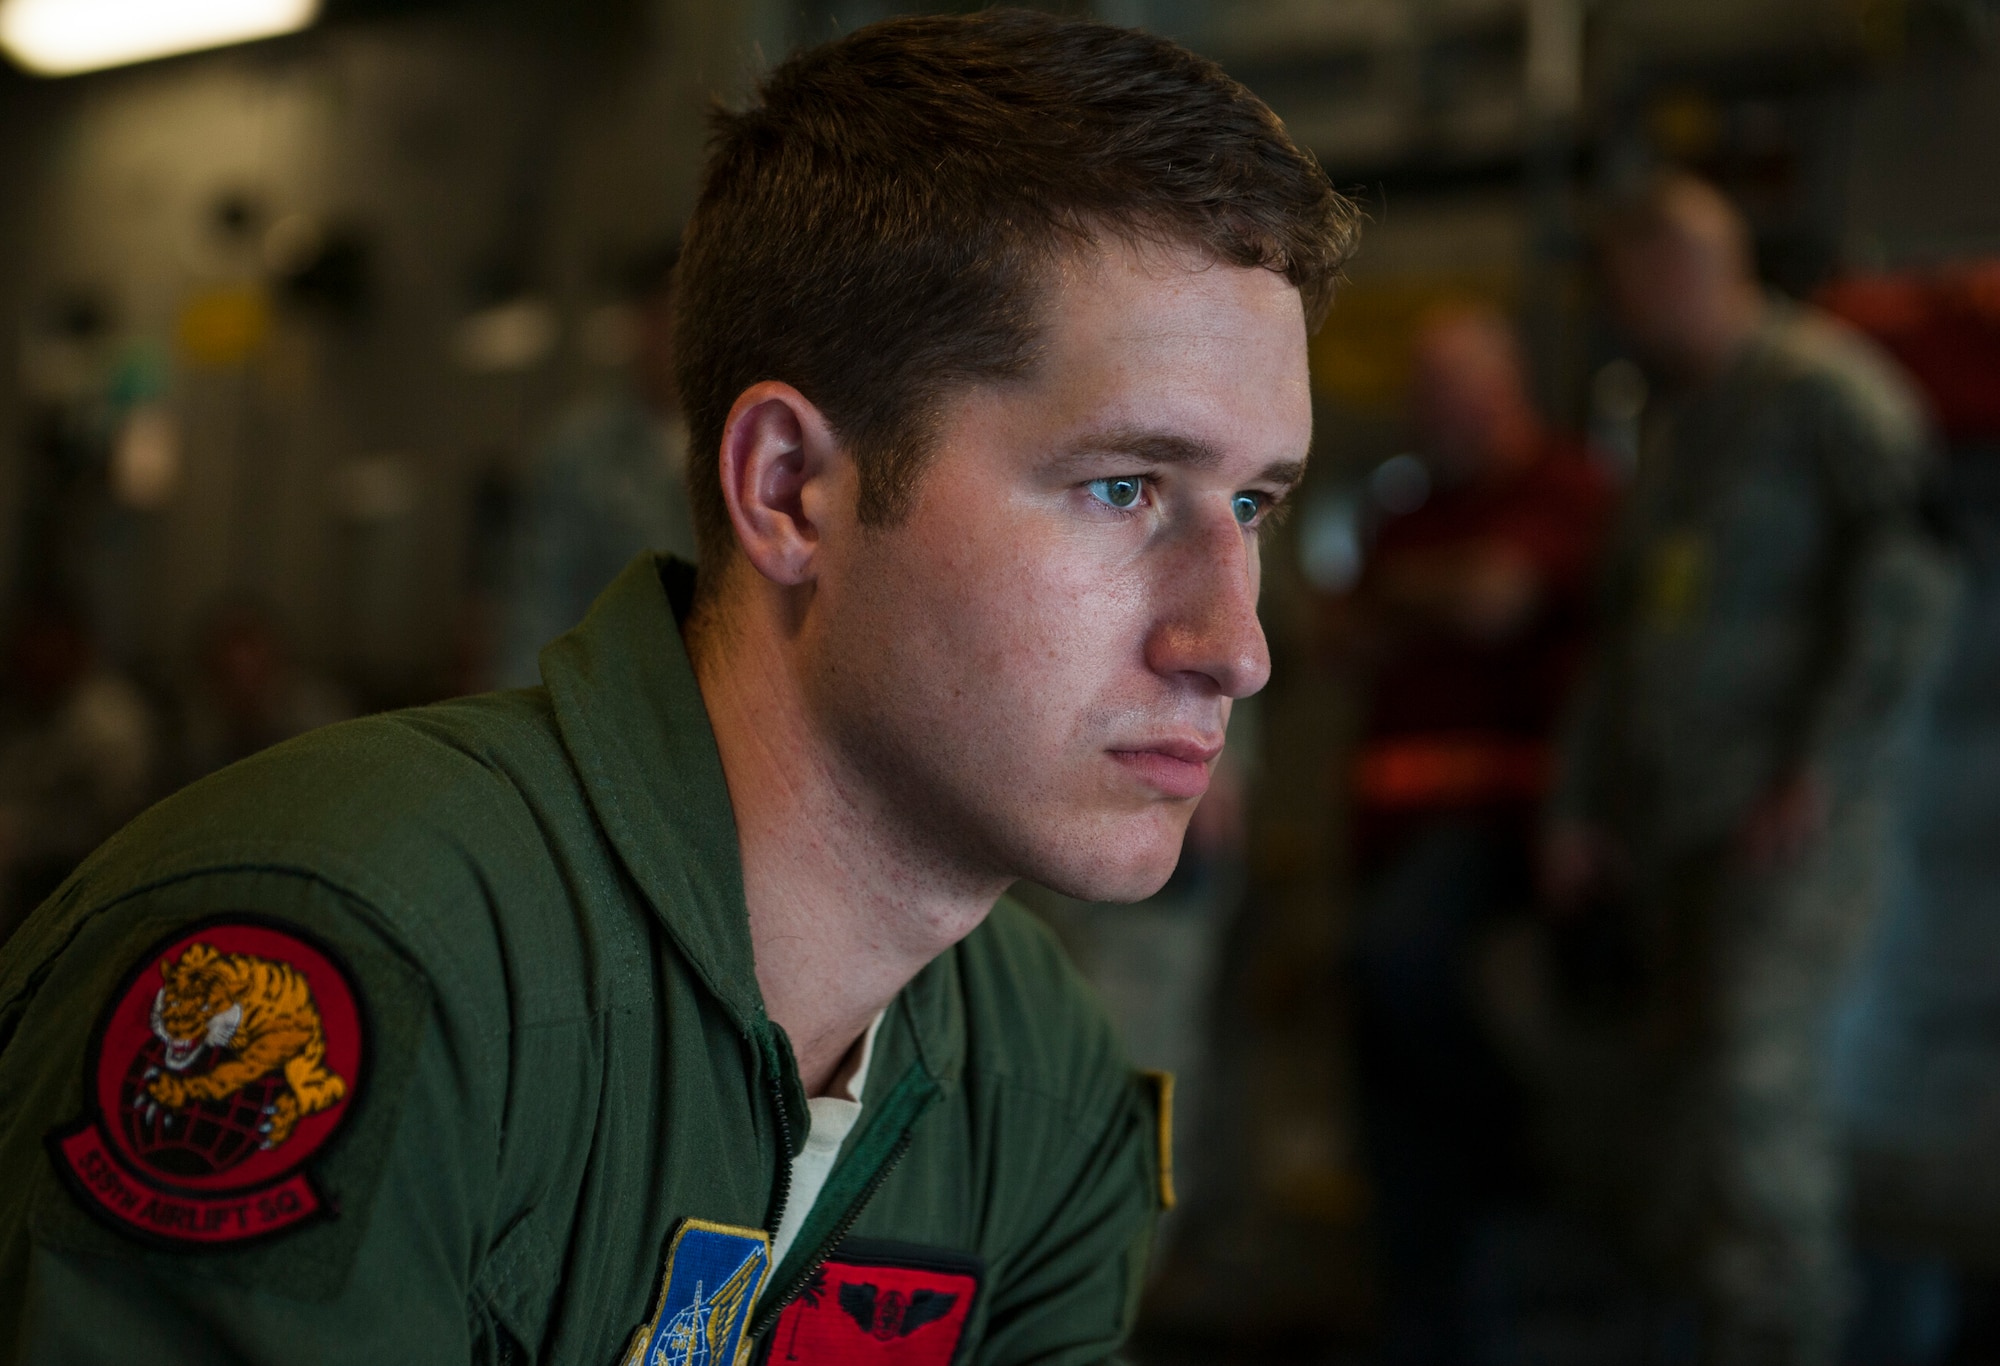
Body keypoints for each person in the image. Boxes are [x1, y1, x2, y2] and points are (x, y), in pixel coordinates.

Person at [0, 13, 1358, 1364]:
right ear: (790, 490)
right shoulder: (353, 968)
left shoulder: (1039, 1067)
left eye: (1251, 503)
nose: (1235, 646)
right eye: (1121, 488)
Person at [1543, 174, 1960, 1366]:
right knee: (1676, 1128)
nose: (1618, 315)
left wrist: (1817, 766)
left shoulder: (1827, 392)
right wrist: (1577, 805)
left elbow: (1909, 585)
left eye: (1626, 286)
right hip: (1670, 829)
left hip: (1786, 830)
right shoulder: (1679, 425)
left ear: (1684, 268)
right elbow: (1625, 633)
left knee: (1747, 1104)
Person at [1329, 305, 1617, 1364]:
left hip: (1502, 833)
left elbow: (1497, 600)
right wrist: (1419, 594)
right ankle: (1423, 1322)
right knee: (1385, 1090)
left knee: (1395, 963)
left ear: (1502, 388)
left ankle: (1519, 1154)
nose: (1428, 414)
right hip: (1386, 835)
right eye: (1419, 394)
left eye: (1446, 391)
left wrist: (1406, 597)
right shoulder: (1408, 517)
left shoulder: (1567, 487)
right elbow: (1337, 636)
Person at [495, 243, 701, 689]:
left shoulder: (746, 446)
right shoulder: (577, 452)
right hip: (607, 703)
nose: (672, 337)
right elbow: (536, 607)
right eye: (658, 318)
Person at [0, 601, 156, 946]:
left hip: (84, 873)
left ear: (79, 649)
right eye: (30, 647)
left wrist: (24, 835)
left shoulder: (109, 719)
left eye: (50, 646)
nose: (38, 659)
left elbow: (120, 819)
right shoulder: (19, 707)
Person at [178, 599, 355, 782]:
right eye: (227, 674)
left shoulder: (318, 720)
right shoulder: (189, 734)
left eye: (253, 670)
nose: (243, 687)